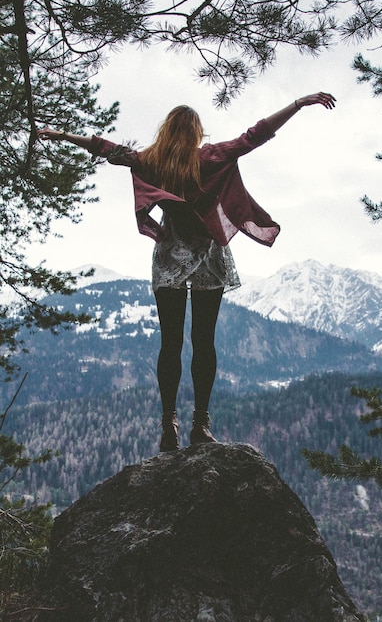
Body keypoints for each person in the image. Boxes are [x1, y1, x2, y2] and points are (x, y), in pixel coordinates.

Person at [38, 92, 336, 452]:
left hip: (169, 256)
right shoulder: (209, 158)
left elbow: (108, 149)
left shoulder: (152, 162)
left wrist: (63, 135)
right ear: (196, 132)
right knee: (204, 341)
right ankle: (201, 424)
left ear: (166, 130)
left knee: (170, 343)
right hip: (209, 255)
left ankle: (169, 424)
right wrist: (297, 104)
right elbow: (254, 135)